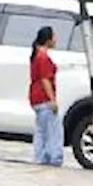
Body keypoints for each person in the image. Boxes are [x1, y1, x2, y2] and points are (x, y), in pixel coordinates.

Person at [29, 26, 63, 166]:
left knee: (42, 130)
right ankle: (53, 157)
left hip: (36, 97)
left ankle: (40, 156)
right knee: (52, 130)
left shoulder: (37, 55)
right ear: (48, 39)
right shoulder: (43, 57)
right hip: (43, 98)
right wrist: (52, 99)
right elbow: (45, 79)